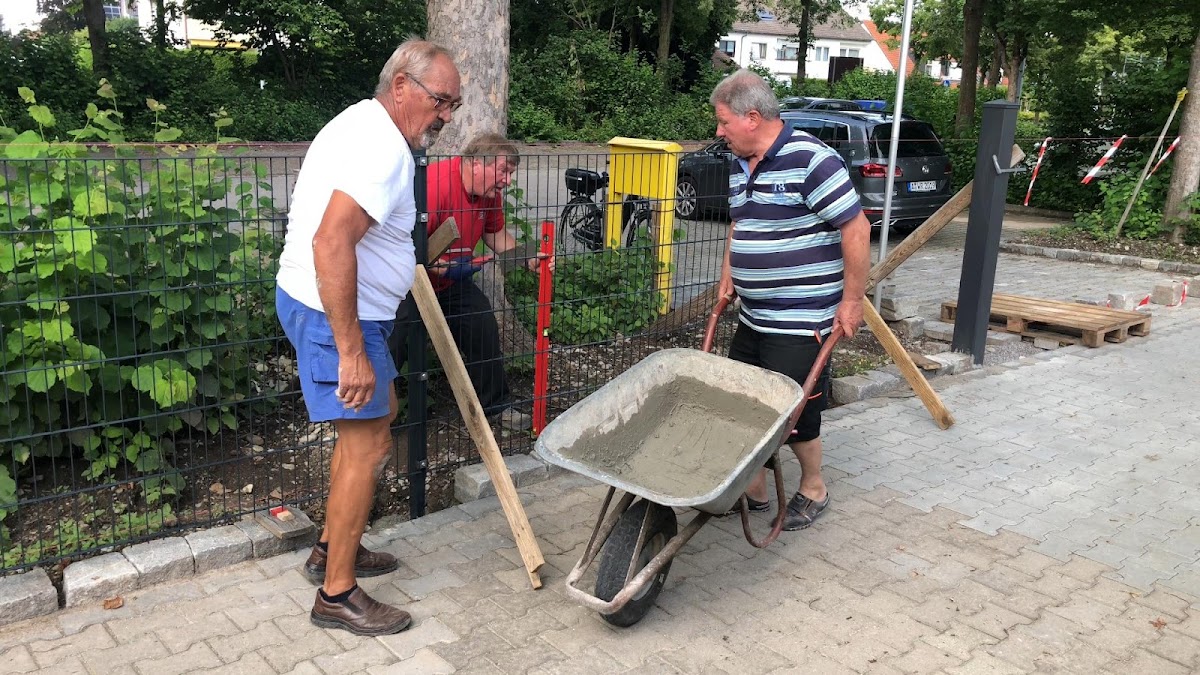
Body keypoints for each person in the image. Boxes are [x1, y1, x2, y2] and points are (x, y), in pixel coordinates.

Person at [274, 39, 461, 636]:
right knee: (369, 444)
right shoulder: (382, 148)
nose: (445, 116)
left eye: (452, 105)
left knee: (377, 422)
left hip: (329, 307)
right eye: (440, 100)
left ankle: (332, 549)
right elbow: (331, 242)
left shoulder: (364, 124)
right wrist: (351, 351)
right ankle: (336, 593)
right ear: (402, 85)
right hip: (335, 315)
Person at [711, 69, 871, 531]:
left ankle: (814, 488)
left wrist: (852, 302)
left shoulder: (812, 159)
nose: (719, 132)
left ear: (752, 118)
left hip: (802, 318)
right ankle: (756, 489)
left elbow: (856, 228)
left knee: (795, 412)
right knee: (746, 402)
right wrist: (729, 275)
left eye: (723, 122)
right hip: (753, 316)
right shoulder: (740, 163)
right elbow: (741, 225)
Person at [390, 133, 552, 431]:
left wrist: (527, 257)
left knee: (481, 323)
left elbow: (494, 233)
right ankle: (368, 415)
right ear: (476, 163)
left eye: (510, 174)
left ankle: (495, 406)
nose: (506, 181)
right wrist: (435, 266)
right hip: (406, 283)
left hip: (450, 281)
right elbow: (403, 244)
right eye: (503, 171)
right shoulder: (435, 185)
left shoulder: (489, 194)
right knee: (390, 341)